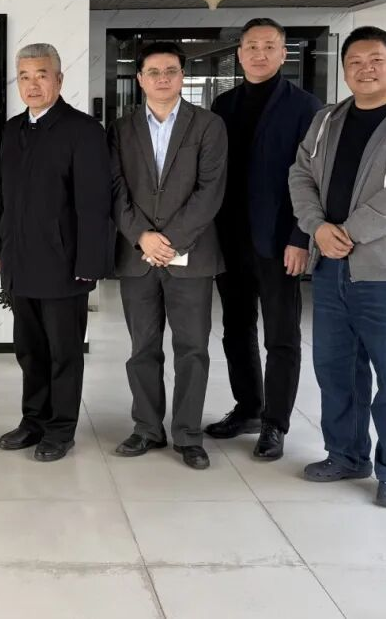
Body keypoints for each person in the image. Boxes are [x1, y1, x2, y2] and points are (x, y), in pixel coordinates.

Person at [289, 26, 386, 509]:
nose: (365, 69)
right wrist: (317, 227)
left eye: (376, 60)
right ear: (344, 70)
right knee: (336, 370)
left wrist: (348, 231)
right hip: (331, 268)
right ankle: (346, 455)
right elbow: (300, 175)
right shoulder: (327, 120)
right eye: (354, 61)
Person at [206, 19, 323, 460]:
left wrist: (300, 237)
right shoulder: (224, 104)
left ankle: (275, 423)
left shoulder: (306, 107)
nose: (260, 54)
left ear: (283, 53)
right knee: (236, 329)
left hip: (279, 242)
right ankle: (248, 407)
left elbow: (313, 179)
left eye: (269, 46)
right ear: (239, 54)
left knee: (281, 335)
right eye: (252, 46)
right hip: (230, 239)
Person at [108, 41, 227, 470]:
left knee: (192, 348)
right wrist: (142, 236)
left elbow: (210, 191)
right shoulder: (120, 129)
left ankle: (189, 434)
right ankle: (147, 428)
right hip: (138, 255)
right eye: (153, 72)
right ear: (140, 79)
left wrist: (170, 240)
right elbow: (115, 188)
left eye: (171, 71)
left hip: (190, 255)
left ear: (182, 76)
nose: (162, 78)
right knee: (142, 347)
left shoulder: (208, 125)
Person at [0, 43, 110, 462]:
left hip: (65, 264)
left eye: (41, 75)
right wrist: (2, 248)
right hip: (21, 261)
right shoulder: (12, 130)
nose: (32, 84)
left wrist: (89, 264)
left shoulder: (83, 130)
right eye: (24, 76)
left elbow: (95, 204)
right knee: (29, 350)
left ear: (59, 79)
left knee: (63, 353)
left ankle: (61, 429)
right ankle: (34, 420)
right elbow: (4, 198)